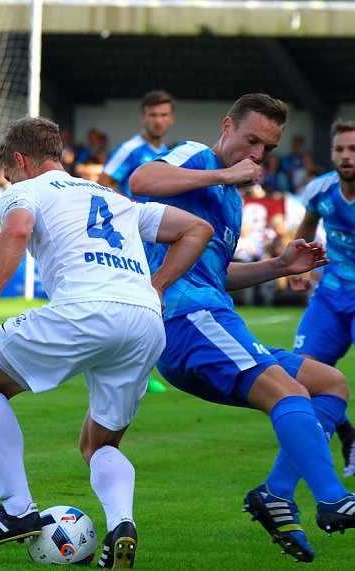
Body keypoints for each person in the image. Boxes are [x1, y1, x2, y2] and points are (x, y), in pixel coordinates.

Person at [0, 117, 213, 568]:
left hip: (85, 310)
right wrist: (157, 287)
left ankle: (16, 511)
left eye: (10, 173)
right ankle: (121, 523)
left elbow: (16, 231)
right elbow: (196, 229)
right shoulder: (114, 198)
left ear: (21, 161)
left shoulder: (26, 191)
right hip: (144, 321)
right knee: (100, 444)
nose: (10, 181)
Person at [130, 93, 355, 563]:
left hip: (212, 316)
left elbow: (219, 275)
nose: (256, 156)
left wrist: (278, 265)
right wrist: (223, 174)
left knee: (329, 383)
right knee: (289, 394)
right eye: (251, 140)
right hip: (188, 319)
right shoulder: (199, 157)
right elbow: (141, 178)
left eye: (267, 149)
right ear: (228, 126)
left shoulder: (230, 202)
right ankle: (334, 499)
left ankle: (276, 492)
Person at [290, 120, 355, 478]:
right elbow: (308, 225)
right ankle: (349, 436)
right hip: (330, 295)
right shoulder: (321, 190)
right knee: (302, 374)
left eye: (353, 149)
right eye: (340, 149)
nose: (346, 156)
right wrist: (299, 263)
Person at [98, 90, 176, 199]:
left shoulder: (165, 151)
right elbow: (102, 182)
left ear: (171, 118)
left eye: (164, 115)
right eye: (153, 115)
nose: (158, 121)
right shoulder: (129, 149)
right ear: (143, 117)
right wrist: (133, 207)